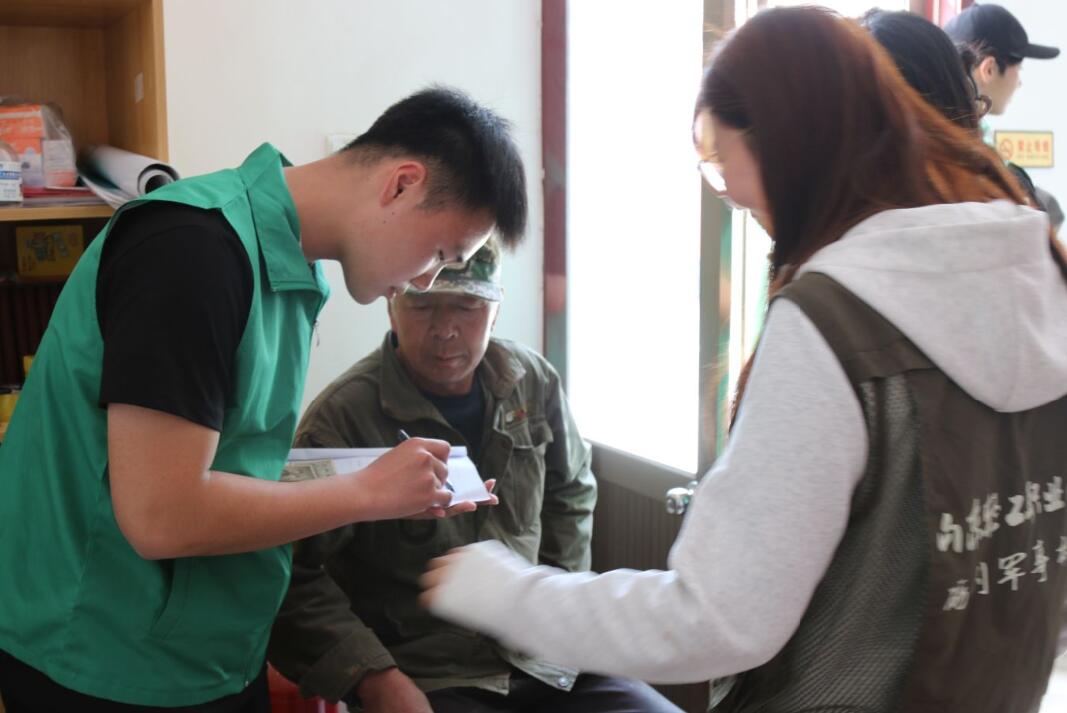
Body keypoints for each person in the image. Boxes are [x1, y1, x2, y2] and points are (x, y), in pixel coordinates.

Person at [421, 8, 1067, 712]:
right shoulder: (1042, 270)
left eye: (718, 156)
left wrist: (503, 590)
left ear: (790, 143)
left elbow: (715, 617)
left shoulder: (836, 318)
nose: (728, 193)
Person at [0, 86, 527, 711]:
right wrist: (367, 493)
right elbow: (161, 514)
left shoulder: (287, 265)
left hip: (214, 644)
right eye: (439, 254)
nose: (424, 281)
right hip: (105, 657)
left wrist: (367, 482)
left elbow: (227, 457)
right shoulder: (191, 249)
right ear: (401, 184)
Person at [268, 239, 680, 713]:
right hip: (427, 672)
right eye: (423, 306)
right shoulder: (341, 419)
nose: (445, 329)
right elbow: (288, 572)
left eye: (467, 306)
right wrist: (375, 678)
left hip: (549, 660)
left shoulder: (533, 381)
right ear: (392, 309)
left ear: (495, 311)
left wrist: (556, 607)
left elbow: (570, 493)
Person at [944, 2, 1063, 230]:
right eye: (1018, 70)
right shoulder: (966, 151)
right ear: (989, 69)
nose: (1019, 83)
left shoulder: (950, 132)